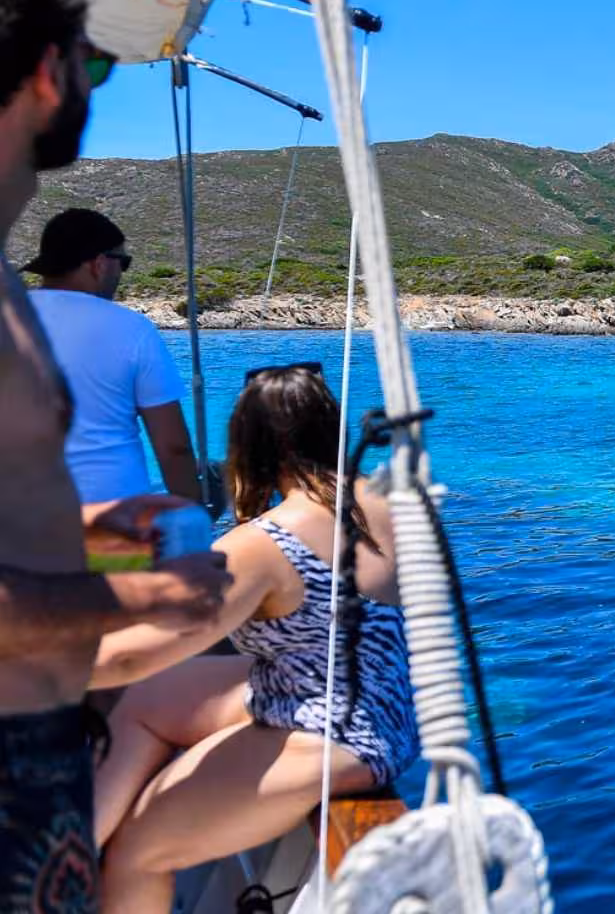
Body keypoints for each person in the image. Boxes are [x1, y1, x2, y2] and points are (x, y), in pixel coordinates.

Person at [0, 0, 232, 911]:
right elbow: (176, 452)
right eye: (95, 60)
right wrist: (149, 599)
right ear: (51, 70)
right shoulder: (112, 325)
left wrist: (88, 531)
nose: (94, 82)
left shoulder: (10, 291)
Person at [91, 364, 419, 913]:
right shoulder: (394, 506)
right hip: (386, 712)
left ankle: (79, 862)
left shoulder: (264, 544)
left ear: (248, 448)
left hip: (334, 736)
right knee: (146, 701)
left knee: (138, 853)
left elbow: (134, 653)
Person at [26, 207, 203, 505]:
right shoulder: (133, 329)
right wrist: (194, 517)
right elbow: (173, 447)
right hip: (114, 523)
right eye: (124, 262)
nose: (122, 273)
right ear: (99, 264)